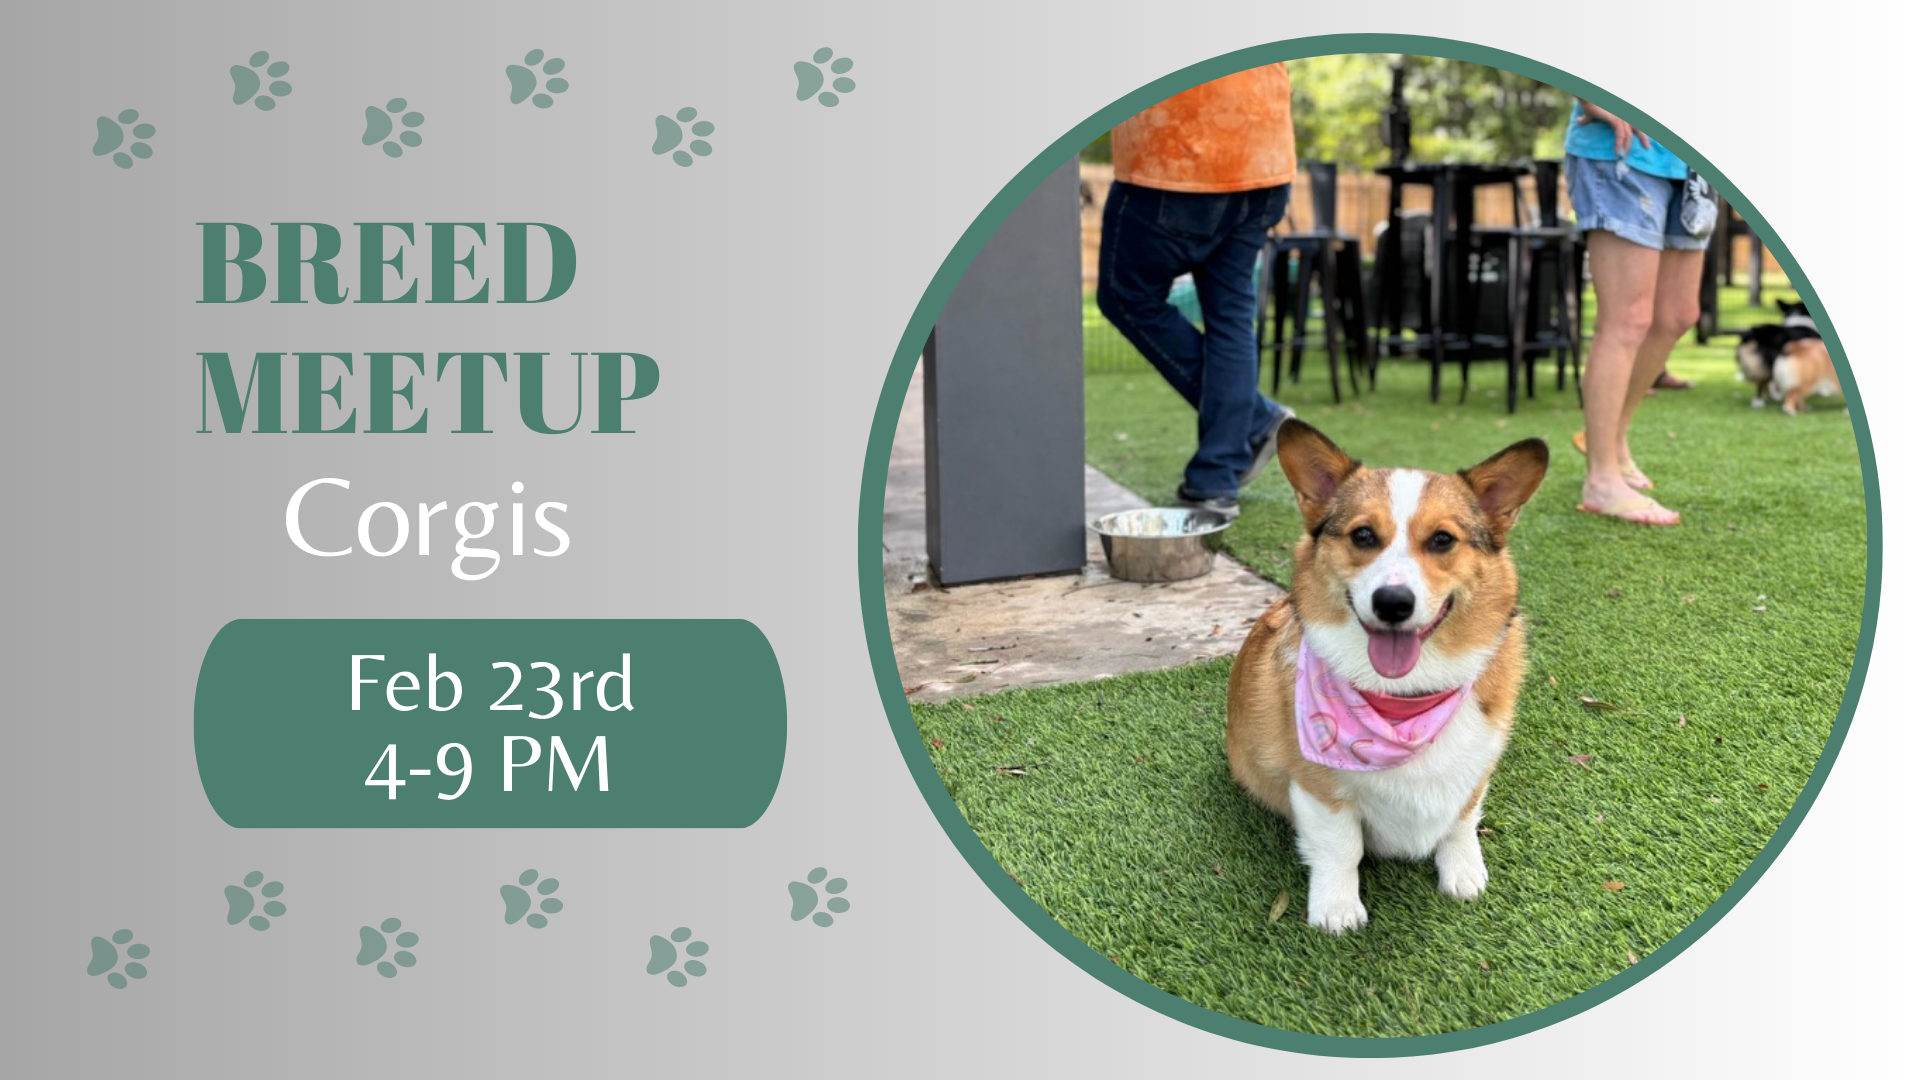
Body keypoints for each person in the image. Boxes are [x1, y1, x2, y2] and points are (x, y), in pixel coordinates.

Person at [1097, 66, 1297, 518]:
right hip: (1263, 154)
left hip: (1178, 156)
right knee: (1230, 316)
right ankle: (1214, 480)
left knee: (1125, 296)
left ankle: (1256, 422)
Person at [1564, 98, 1716, 525]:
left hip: (1691, 167)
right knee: (1627, 319)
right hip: (1621, 150)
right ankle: (1601, 479)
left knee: (1677, 314)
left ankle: (1609, 442)